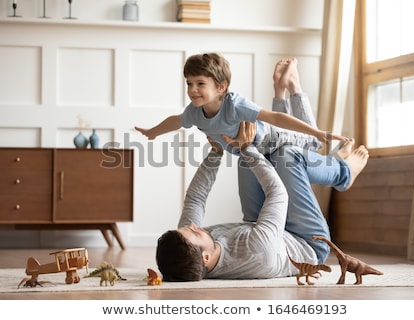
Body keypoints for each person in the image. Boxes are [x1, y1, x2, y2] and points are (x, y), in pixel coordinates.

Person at [156, 120, 369, 281]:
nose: (193, 226)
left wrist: (216, 152)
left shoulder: (189, 248)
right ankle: (343, 172)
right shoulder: (257, 251)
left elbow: (196, 199)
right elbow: (278, 194)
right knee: (286, 156)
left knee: (249, 160)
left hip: (260, 226)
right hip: (307, 241)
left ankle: (331, 160)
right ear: (205, 259)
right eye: (194, 232)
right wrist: (247, 148)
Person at [135, 53, 348, 158]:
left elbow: (274, 118)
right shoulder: (194, 112)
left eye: (200, 84)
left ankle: (292, 86)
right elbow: (176, 121)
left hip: (271, 138)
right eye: (189, 83)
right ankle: (282, 87)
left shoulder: (234, 104)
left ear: (221, 87)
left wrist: (317, 132)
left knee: (313, 144)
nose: (192, 90)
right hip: (255, 150)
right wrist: (153, 132)